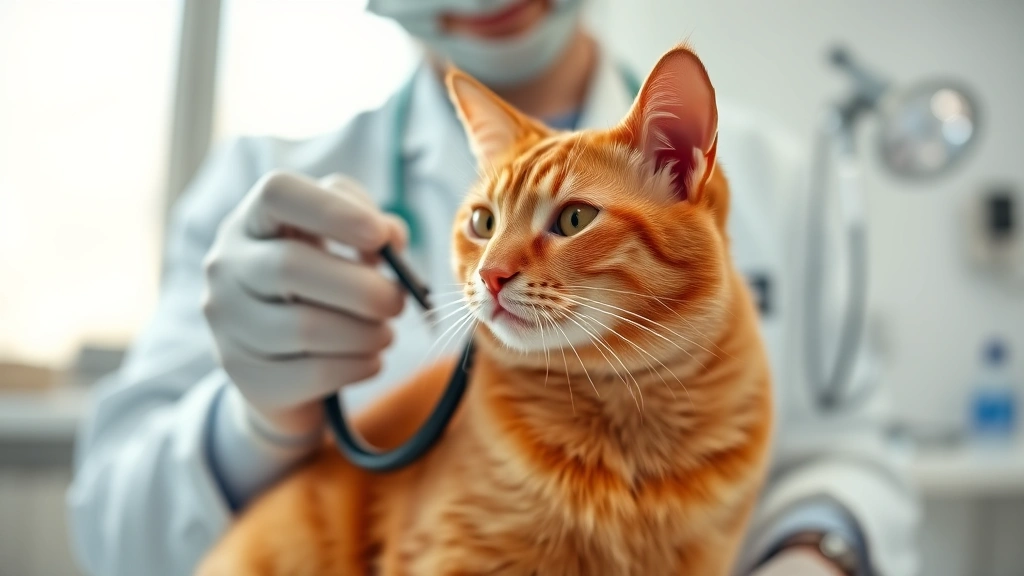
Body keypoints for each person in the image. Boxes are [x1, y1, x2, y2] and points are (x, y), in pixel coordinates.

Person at [66, 1, 919, 575]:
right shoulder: (258, 172)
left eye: (572, 219)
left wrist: (813, 555)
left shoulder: (780, 177)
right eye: (482, 224)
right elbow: (112, 533)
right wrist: (253, 420)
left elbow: (854, 451)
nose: (497, 270)